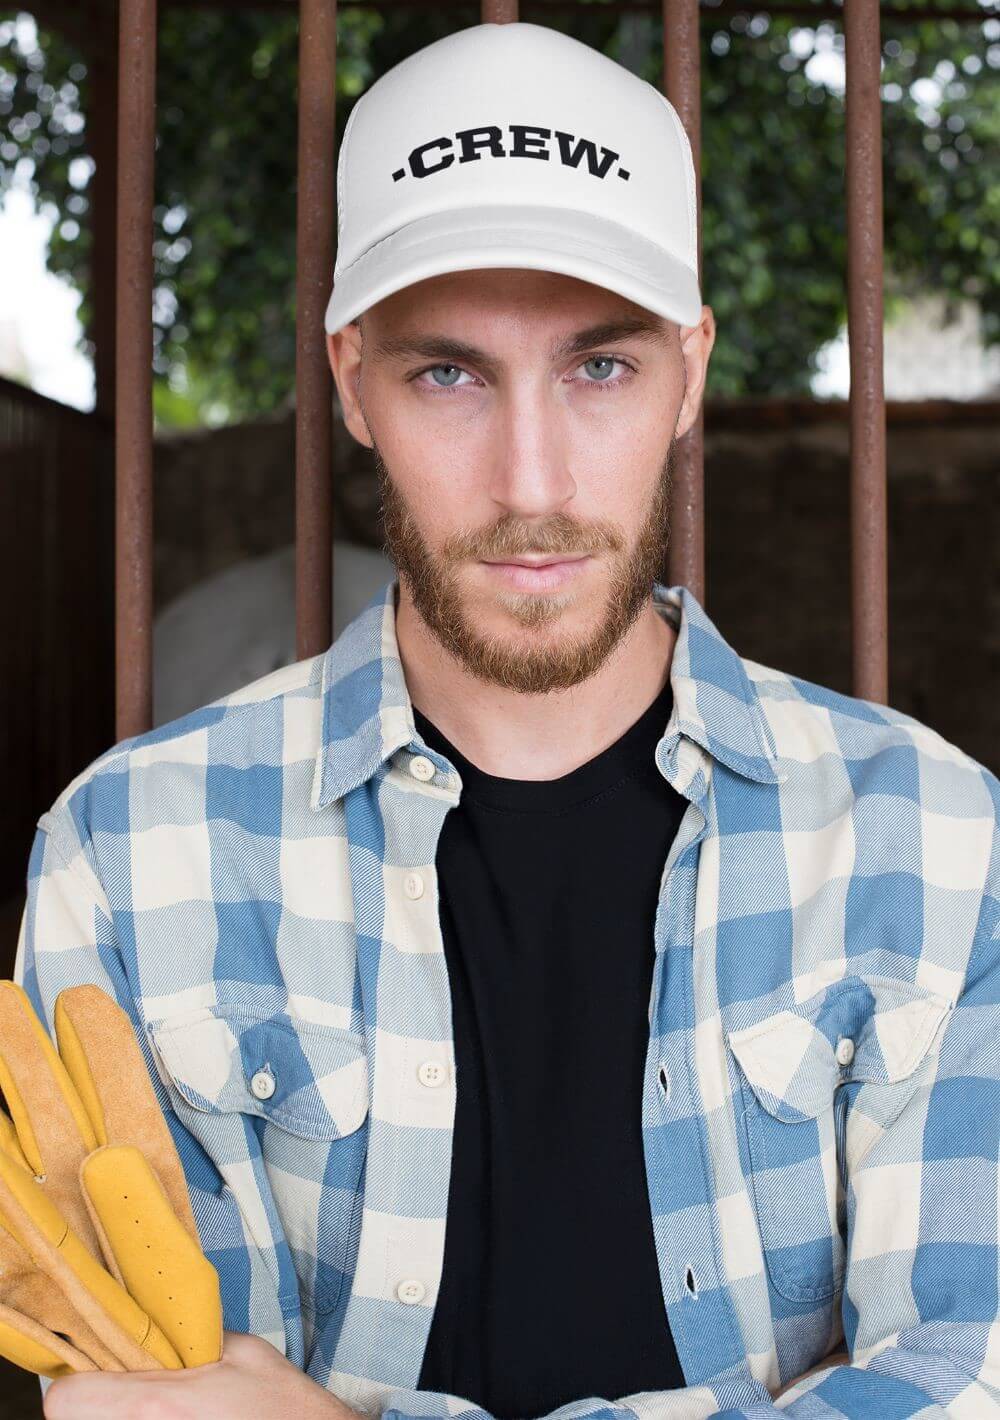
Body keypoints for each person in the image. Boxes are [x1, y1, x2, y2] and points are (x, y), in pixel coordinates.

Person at [17, 19, 1000, 1420]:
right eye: (449, 374)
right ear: (350, 380)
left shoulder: (934, 842)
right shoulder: (128, 854)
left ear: (690, 372)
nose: (531, 484)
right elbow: (134, 1393)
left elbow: (966, 1377)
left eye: (600, 368)